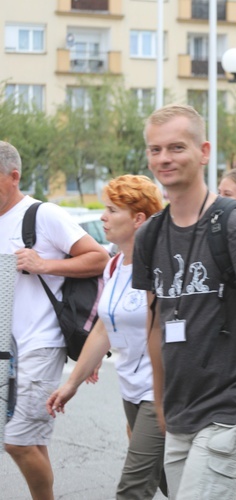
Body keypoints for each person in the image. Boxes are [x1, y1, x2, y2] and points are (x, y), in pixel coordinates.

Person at [131, 104, 236, 498]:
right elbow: (155, 323)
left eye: (176, 147)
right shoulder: (150, 235)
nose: (164, 159)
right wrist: (159, 400)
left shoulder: (235, 225)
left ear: (203, 151)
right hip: (179, 411)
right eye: (155, 150)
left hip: (230, 407)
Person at [0, 140, 110, 500]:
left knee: (15, 441)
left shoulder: (42, 215)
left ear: (13, 177)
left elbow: (98, 258)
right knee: (29, 440)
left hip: (40, 344)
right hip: (5, 348)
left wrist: (44, 264)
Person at [46, 175, 167, 499]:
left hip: (161, 393)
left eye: (112, 210)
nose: (103, 217)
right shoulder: (115, 265)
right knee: (171, 480)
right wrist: (71, 384)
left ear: (138, 219)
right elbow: (103, 326)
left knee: (133, 489)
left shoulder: (161, 266)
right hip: (130, 388)